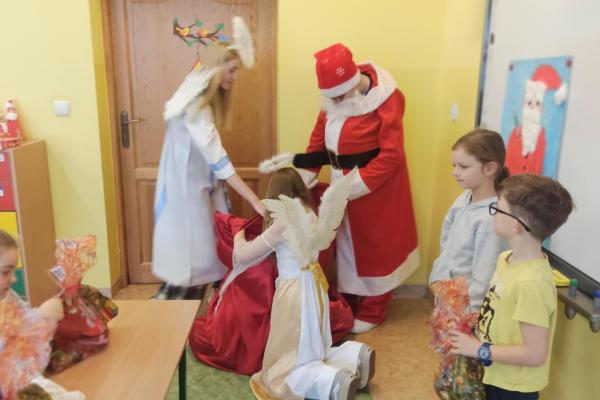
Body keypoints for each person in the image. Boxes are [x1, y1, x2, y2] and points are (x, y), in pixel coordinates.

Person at [295, 43, 419, 333]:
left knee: (376, 245)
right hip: (341, 182)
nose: (335, 102)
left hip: (376, 188)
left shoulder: (387, 98)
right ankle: (351, 297)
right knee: (347, 243)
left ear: (352, 83)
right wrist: (303, 179)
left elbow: (391, 154)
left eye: (339, 96)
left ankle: (375, 308)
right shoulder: (333, 100)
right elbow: (317, 141)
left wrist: (356, 186)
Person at [226, 167, 374, 399]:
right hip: (315, 285)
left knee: (291, 352)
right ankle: (355, 358)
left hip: (293, 291)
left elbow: (244, 255)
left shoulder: (282, 223)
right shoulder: (308, 212)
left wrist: (238, 235)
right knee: (314, 344)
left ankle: (331, 382)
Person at [152, 17, 266, 299]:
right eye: (232, 70)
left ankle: (183, 304)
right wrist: (254, 200)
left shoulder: (192, 95)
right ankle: (178, 312)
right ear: (216, 70)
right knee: (193, 261)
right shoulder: (196, 110)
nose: (235, 77)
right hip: (186, 195)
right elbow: (220, 162)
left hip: (191, 189)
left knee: (195, 259)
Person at [450, 174, 574, 400]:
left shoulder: (531, 284)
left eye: (497, 208)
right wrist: (477, 321)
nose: (493, 213)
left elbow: (535, 354)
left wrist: (479, 349)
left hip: (514, 387)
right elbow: (501, 308)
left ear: (516, 225)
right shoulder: (506, 258)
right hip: (494, 372)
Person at [429, 129, 509, 311]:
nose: (455, 172)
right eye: (454, 165)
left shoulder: (490, 218)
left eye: (463, 167)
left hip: (466, 310)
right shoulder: (464, 198)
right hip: (448, 297)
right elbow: (446, 243)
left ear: (489, 169)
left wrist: (467, 312)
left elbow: (485, 276)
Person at [0, 229, 73, 399]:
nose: (13, 279)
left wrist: (45, 314)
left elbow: (24, 318)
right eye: (5, 272)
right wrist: (42, 317)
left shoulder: (8, 297)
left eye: (13, 271)